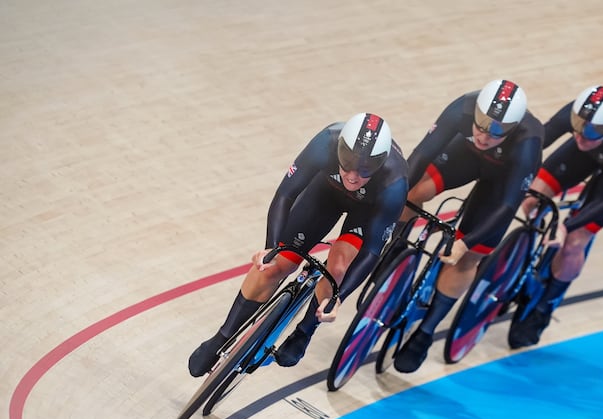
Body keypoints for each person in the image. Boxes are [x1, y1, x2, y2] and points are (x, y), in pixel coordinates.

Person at [188, 113, 409, 376]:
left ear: (379, 164)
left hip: (366, 211)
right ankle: (222, 336)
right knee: (272, 266)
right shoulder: (326, 141)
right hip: (324, 194)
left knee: (337, 268)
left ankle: (304, 331)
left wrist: (337, 298)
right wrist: (272, 247)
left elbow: (372, 250)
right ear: (340, 150)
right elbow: (285, 194)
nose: (352, 176)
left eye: (364, 170)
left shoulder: (394, 183)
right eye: (347, 163)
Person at [391, 79, 545, 373]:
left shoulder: (528, 142)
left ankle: (426, 331)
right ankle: (397, 256)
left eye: (497, 130)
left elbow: (506, 207)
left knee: (468, 255)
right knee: (409, 195)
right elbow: (421, 155)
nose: (485, 135)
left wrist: (465, 242)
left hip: (501, 182)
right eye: (482, 124)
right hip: (465, 157)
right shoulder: (463, 107)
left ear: (511, 129)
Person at [508, 85, 603, 348]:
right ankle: (523, 258)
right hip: (597, 148)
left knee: (575, 240)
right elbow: (537, 142)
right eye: (578, 125)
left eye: (591, 131)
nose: (581, 135)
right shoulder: (581, 122)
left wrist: (566, 227)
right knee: (532, 197)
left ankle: (544, 307)